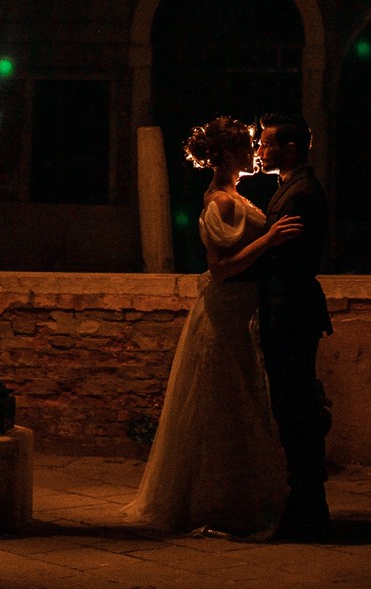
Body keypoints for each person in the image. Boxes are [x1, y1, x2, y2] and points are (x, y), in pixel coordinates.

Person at [123, 116, 303, 537]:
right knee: (223, 407)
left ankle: (236, 498)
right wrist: (269, 240)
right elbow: (220, 269)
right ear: (226, 155)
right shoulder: (220, 201)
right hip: (224, 315)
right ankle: (217, 504)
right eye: (246, 148)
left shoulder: (233, 195)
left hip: (238, 313)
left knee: (236, 405)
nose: (254, 154)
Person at [255, 110, 334, 541]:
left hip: (290, 313)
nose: (260, 151)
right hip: (288, 310)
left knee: (296, 408)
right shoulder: (292, 188)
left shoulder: (300, 194)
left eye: (266, 144)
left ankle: (308, 508)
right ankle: (305, 505)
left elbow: (286, 261)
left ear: (289, 148)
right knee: (292, 406)